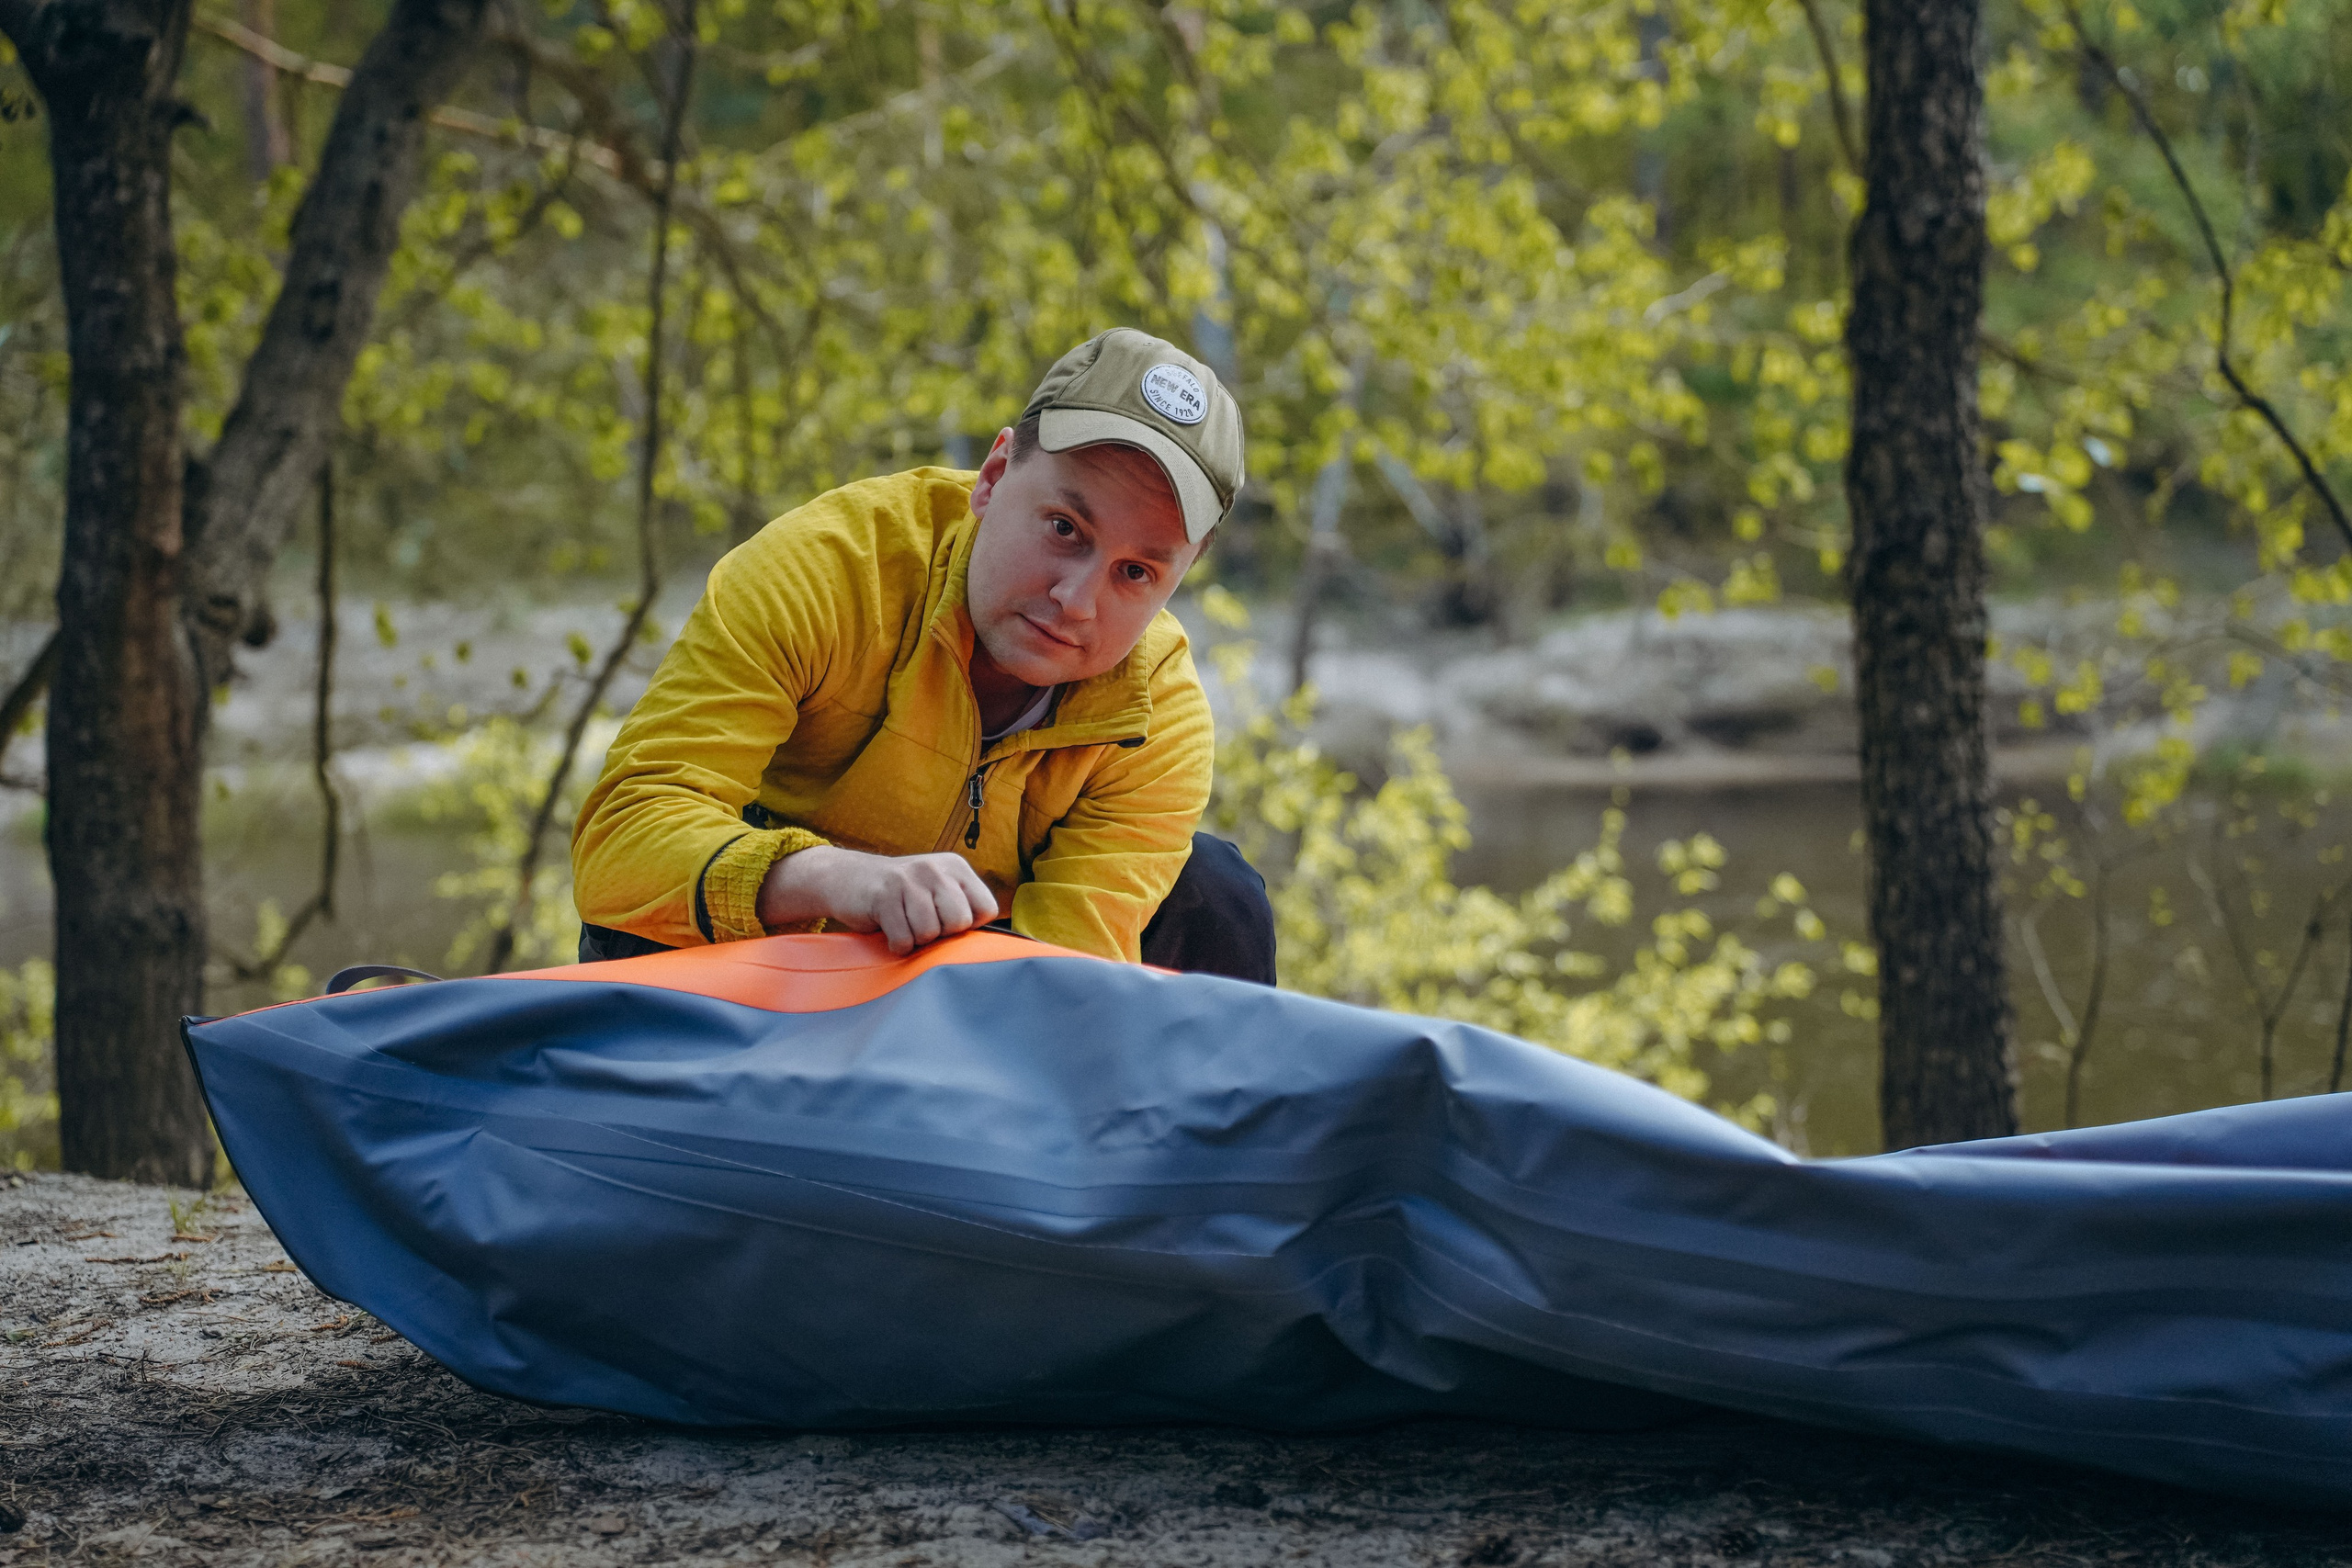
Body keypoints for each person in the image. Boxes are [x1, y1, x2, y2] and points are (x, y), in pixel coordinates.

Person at [570, 328, 1275, 982]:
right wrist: (831, 877)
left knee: (1216, 895)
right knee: (658, 899)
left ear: (1179, 577)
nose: (1078, 598)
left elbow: (1067, 977)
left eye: (1136, 573)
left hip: (967, 994)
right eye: (1065, 527)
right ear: (994, 475)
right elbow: (619, 844)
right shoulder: (830, 569)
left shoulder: (1159, 717)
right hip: (762, 961)